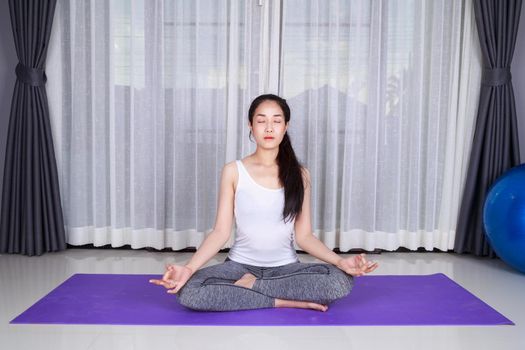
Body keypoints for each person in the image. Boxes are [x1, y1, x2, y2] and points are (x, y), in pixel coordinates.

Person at [149, 94, 378, 312]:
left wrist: (341, 262)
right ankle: (284, 301)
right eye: (261, 121)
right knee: (189, 292)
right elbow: (220, 232)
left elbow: (305, 237)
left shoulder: (300, 175)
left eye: (276, 121)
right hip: (239, 267)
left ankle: (253, 288)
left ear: (285, 126)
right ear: (251, 125)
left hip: (286, 269)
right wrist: (189, 269)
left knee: (339, 281)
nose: (269, 128)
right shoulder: (233, 171)